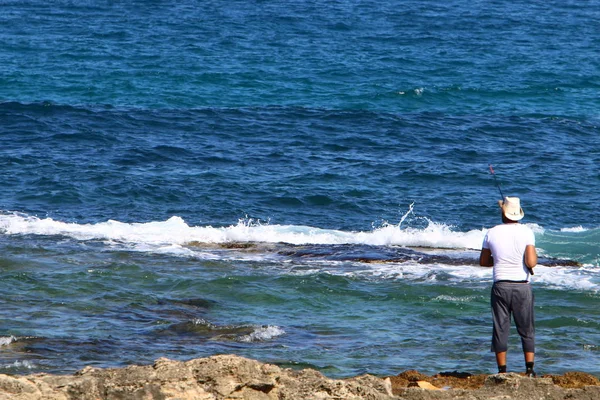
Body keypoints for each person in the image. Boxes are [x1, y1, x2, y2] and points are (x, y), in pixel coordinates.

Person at [479, 196, 538, 377]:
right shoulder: (527, 232)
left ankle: (502, 371)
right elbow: (531, 262)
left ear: (502, 212)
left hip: (500, 285)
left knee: (500, 328)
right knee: (526, 329)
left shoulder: (491, 232)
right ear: (518, 214)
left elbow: (483, 261)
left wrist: (497, 259)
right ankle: (529, 369)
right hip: (522, 286)